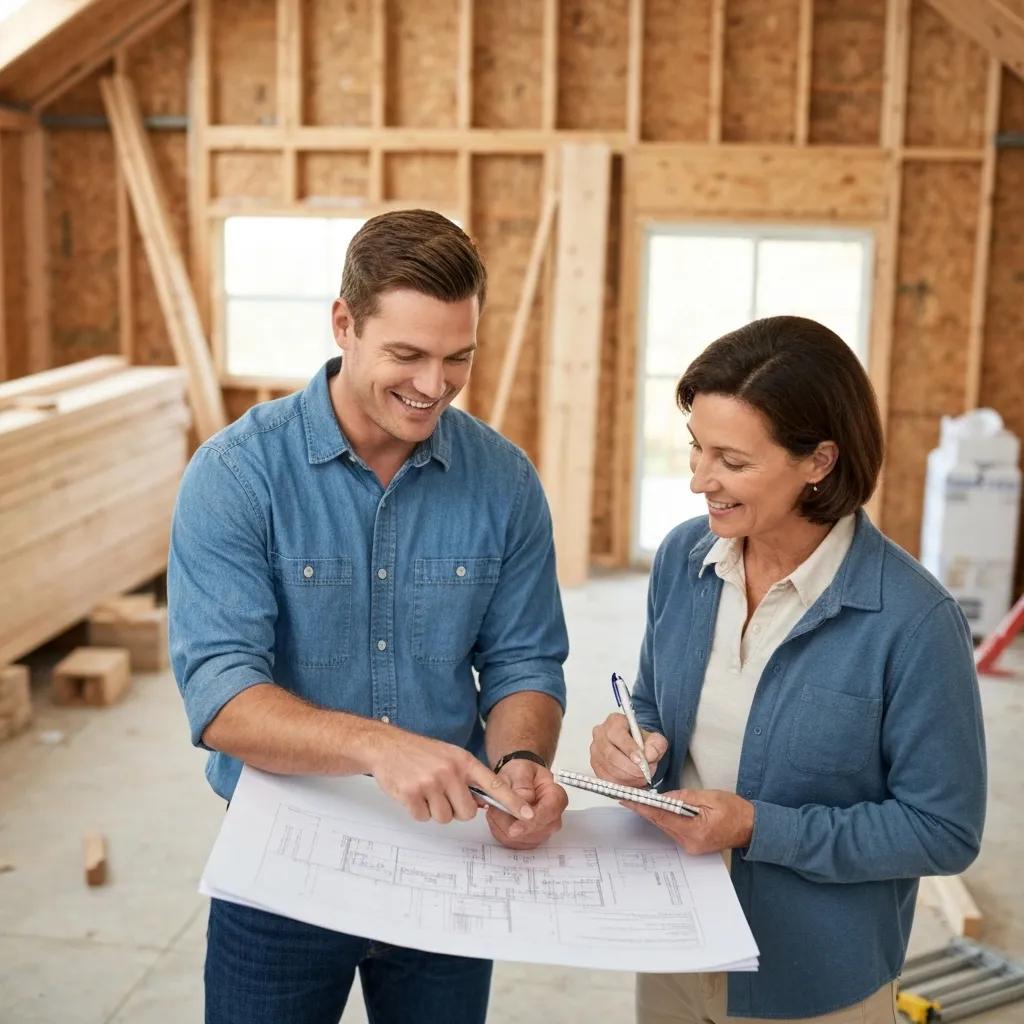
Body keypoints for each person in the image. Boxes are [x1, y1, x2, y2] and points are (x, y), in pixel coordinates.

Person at [168, 209, 569, 1024]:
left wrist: (521, 757)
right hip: (282, 864)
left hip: (446, 856)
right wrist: (380, 747)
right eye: (407, 355)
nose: (435, 384)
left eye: (458, 357)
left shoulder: (504, 481)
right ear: (344, 325)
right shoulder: (237, 475)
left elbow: (524, 661)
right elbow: (220, 697)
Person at [590, 316, 986, 1024]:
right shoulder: (683, 560)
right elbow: (652, 701)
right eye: (696, 447)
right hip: (676, 944)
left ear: (819, 462)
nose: (699, 480)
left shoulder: (914, 621)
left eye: (732, 461)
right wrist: (634, 744)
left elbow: (942, 829)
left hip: (813, 984)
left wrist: (755, 828)